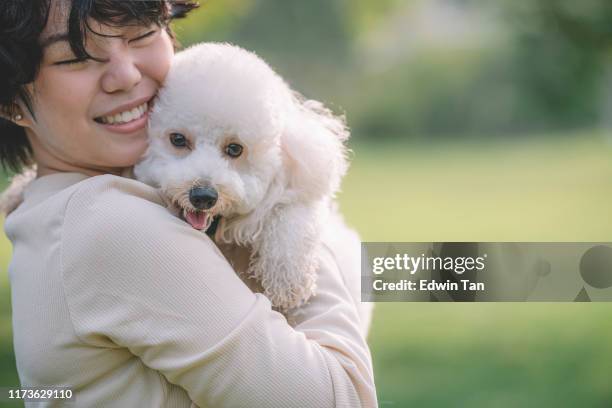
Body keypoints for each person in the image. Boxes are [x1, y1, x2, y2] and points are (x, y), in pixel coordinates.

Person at [0, 1, 377, 407]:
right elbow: (341, 398)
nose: (126, 76)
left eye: (141, 34)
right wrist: (296, 209)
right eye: (77, 56)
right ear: (9, 101)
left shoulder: (47, 207)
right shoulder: (112, 224)